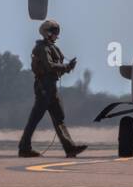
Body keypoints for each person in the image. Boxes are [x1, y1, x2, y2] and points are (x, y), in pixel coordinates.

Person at [18, 19, 87, 159]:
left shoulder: (51, 48)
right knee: (35, 119)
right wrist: (67, 67)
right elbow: (50, 66)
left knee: (58, 118)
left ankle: (70, 148)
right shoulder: (42, 48)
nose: (57, 35)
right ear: (47, 33)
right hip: (44, 87)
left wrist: (67, 68)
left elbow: (57, 68)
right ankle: (24, 148)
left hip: (51, 87)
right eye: (54, 32)